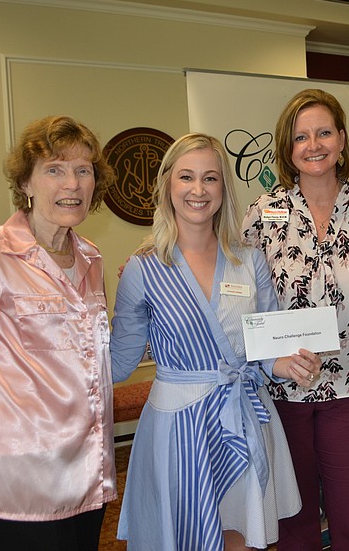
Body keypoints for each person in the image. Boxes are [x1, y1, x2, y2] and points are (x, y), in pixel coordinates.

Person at [110, 133, 321, 551]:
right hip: (177, 425)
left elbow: (264, 348)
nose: (198, 190)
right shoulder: (142, 270)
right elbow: (118, 362)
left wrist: (288, 364)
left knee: (240, 535)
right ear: (168, 185)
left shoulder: (249, 260)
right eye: (186, 177)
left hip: (242, 415)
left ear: (223, 189)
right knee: (187, 535)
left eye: (210, 179)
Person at [0, 115, 118, 551]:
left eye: (83, 170)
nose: (71, 183)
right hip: (20, 495)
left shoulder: (92, 259)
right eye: (54, 169)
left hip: (91, 484)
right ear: (26, 183)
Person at [242, 88, 349, 550]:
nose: (314, 145)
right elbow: (234, 297)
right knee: (294, 520)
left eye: (324, 132)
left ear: (343, 139)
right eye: (300, 136)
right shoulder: (262, 215)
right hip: (283, 390)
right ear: (287, 150)